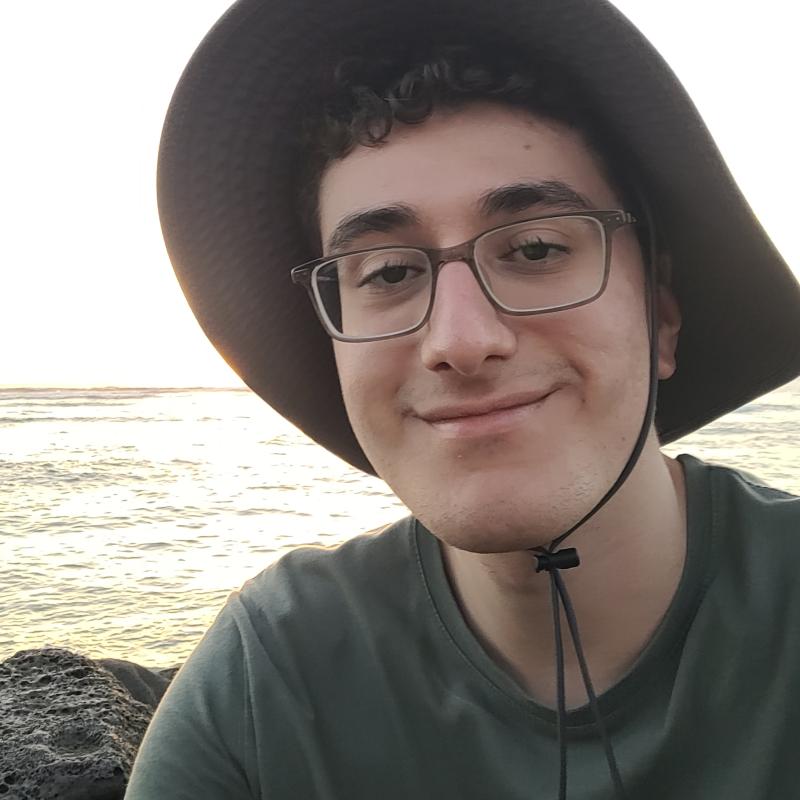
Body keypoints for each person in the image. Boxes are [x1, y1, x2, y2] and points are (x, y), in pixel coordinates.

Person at [126, 0, 800, 797]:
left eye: (538, 248)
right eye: (387, 274)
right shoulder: (273, 678)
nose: (459, 340)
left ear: (660, 315)